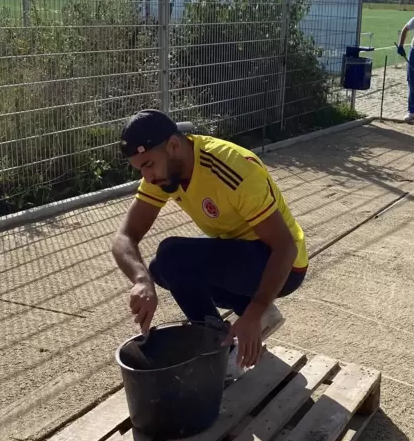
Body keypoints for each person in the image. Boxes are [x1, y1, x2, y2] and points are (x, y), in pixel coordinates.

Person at [111, 110, 308, 381]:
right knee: (161, 268)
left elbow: (285, 247)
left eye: (149, 164)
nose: (148, 176)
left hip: (284, 264)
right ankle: (223, 343)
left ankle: (250, 320)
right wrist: (141, 280)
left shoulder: (233, 168)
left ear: (173, 145)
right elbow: (124, 237)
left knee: (173, 255)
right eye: (141, 169)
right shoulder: (163, 171)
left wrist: (253, 312)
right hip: (242, 254)